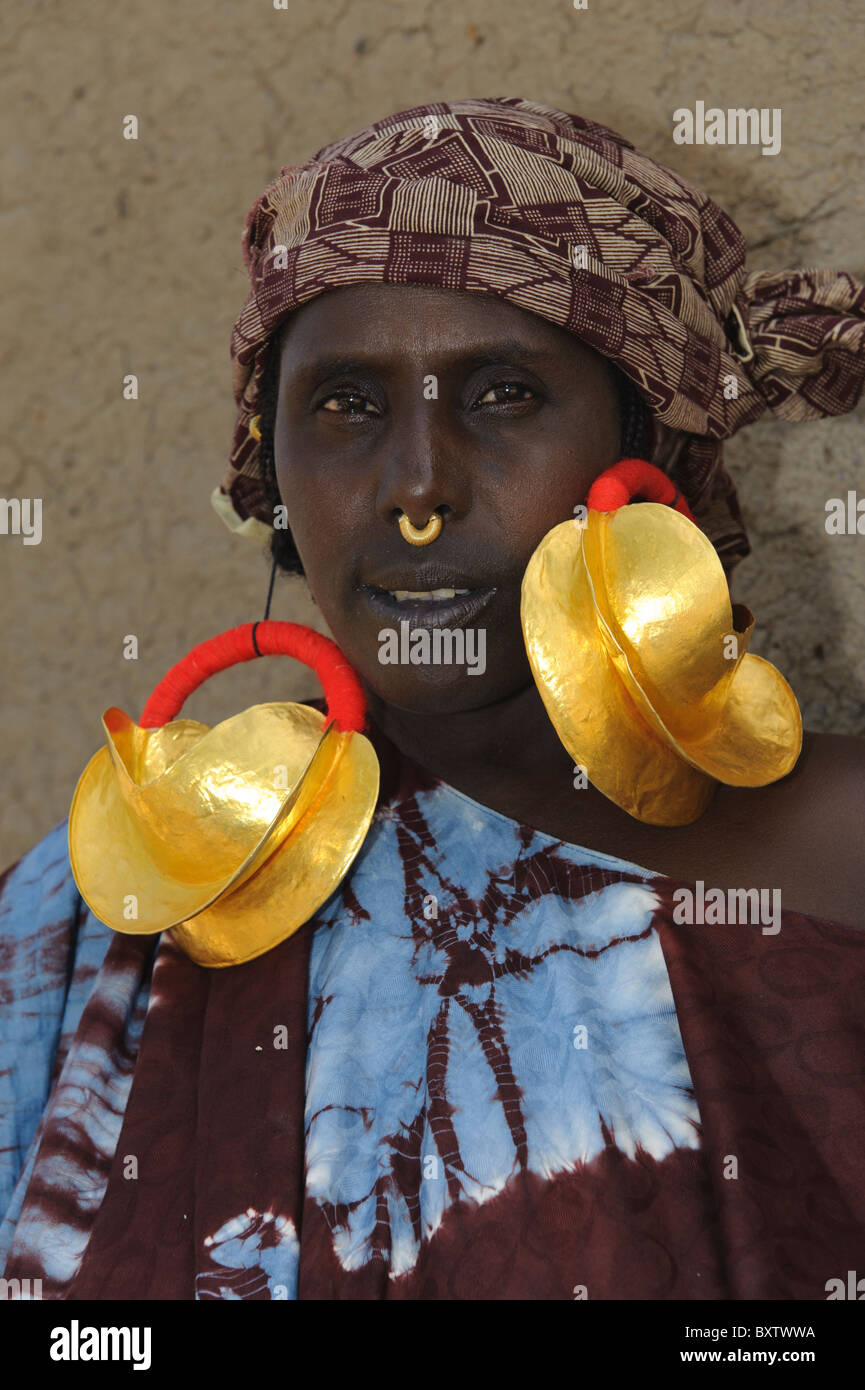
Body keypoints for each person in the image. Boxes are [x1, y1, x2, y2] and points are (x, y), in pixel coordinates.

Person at [1, 97, 864, 1301]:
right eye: (347, 403)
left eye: (501, 393)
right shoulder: (97, 922)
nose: (415, 485)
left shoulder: (839, 857)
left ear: (645, 447)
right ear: (270, 475)